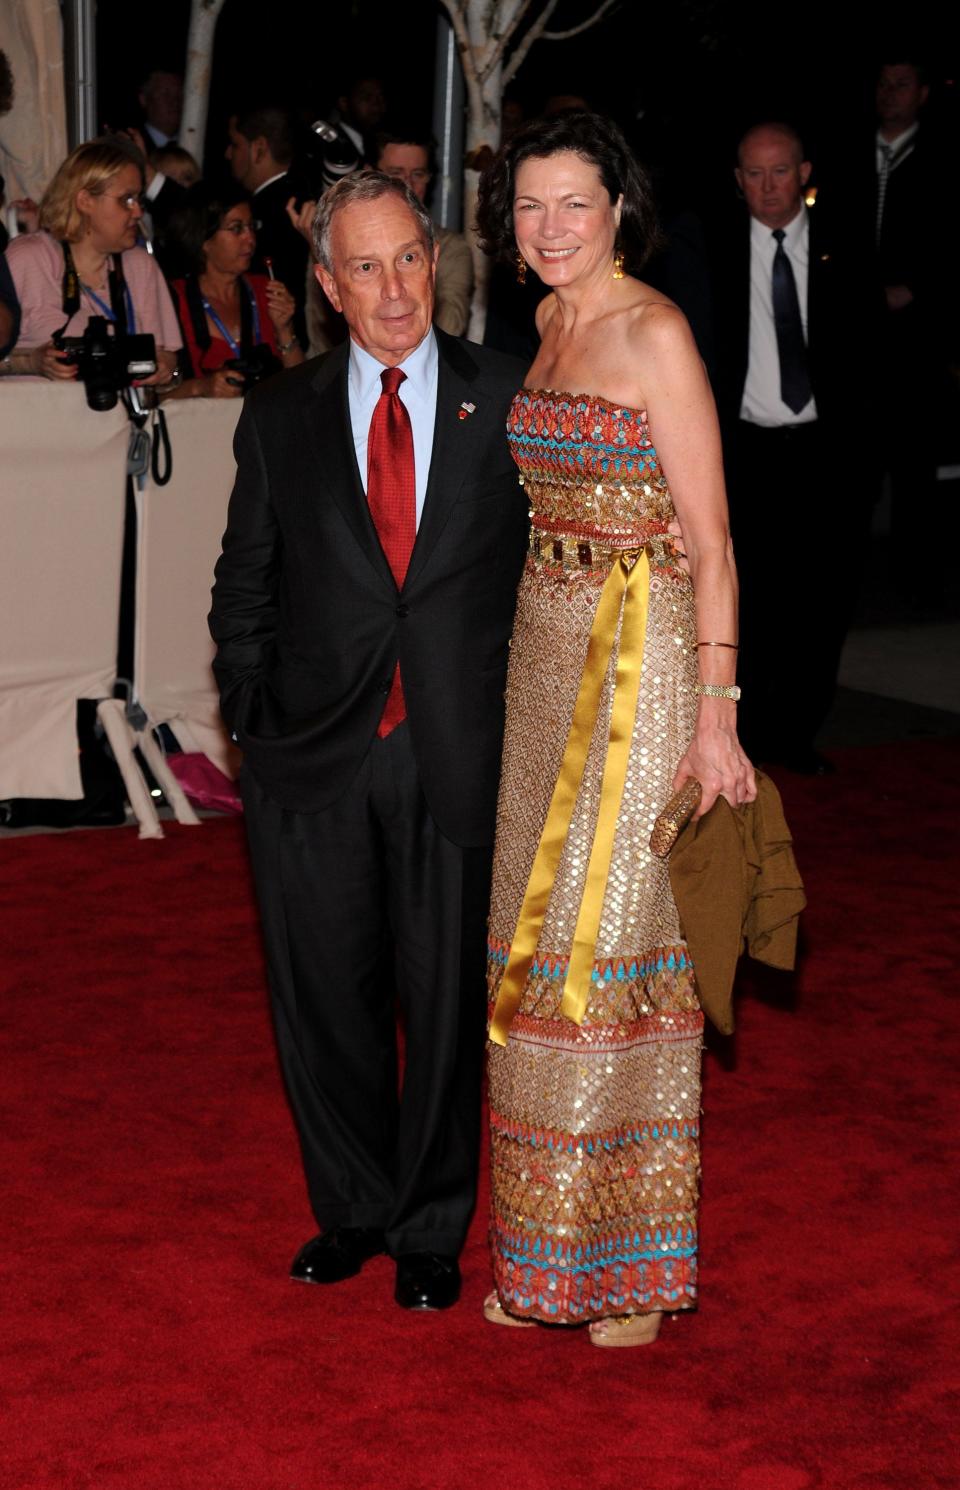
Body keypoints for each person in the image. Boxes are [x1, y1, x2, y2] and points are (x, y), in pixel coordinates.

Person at [208, 172, 529, 1311]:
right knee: (324, 994)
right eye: (366, 267)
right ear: (330, 285)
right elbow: (244, 579)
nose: (394, 288)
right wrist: (249, 713)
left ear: (433, 262)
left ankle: (433, 1225)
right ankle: (351, 1206)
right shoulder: (281, 412)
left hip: (453, 745)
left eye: (410, 259)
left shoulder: (507, 392)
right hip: (313, 749)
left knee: (444, 1002)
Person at [475, 110, 754, 1346]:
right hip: (545, 651)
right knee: (527, 955)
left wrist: (718, 718)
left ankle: (631, 1270)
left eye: (571, 203)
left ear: (618, 206)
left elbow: (713, 544)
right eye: (530, 206)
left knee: (611, 953)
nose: (549, 229)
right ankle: (542, 1258)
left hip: (643, 668)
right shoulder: (545, 322)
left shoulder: (653, 330)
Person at [708, 121, 878, 773]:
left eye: (780, 171)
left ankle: (798, 731)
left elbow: (870, 357)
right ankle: (741, 734)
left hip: (824, 453)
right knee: (748, 596)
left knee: (821, 596)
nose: (768, 187)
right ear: (737, 181)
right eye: (754, 173)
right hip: (743, 451)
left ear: (804, 174)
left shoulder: (846, 248)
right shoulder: (712, 250)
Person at [1, 139, 180, 382]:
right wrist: (31, 362)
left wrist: (164, 368)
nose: (138, 212)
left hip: (118, 417)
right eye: (126, 199)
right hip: (35, 416)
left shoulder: (140, 265)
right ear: (85, 200)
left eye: (139, 200)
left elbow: (168, 361)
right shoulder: (28, 258)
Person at [301, 124, 474, 354]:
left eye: (418, 174)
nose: (407, 185)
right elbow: (321, 337)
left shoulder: (453, 248)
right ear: (369, 173)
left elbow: (448, 331)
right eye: (395, 174)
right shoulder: (338, 245)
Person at [165, 184, 303, 399]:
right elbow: (155, 400)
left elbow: (300, 387)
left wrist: (285, 329)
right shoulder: (173, 299)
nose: (250, 239)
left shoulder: (264, 289)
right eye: (236, 228)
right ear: (203, 239)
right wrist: (200, 388)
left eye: (251, 226)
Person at [225, 106, 309, 338]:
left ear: (258, 149)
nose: (228, 154)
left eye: (235, 144)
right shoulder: (303, 195)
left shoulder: (272, 211)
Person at [138, 69, 183, 150]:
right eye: (166, 94)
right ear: (144, 99)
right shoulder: (129, 149)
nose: (175, 101)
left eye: (179, 94)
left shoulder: (196, 143)